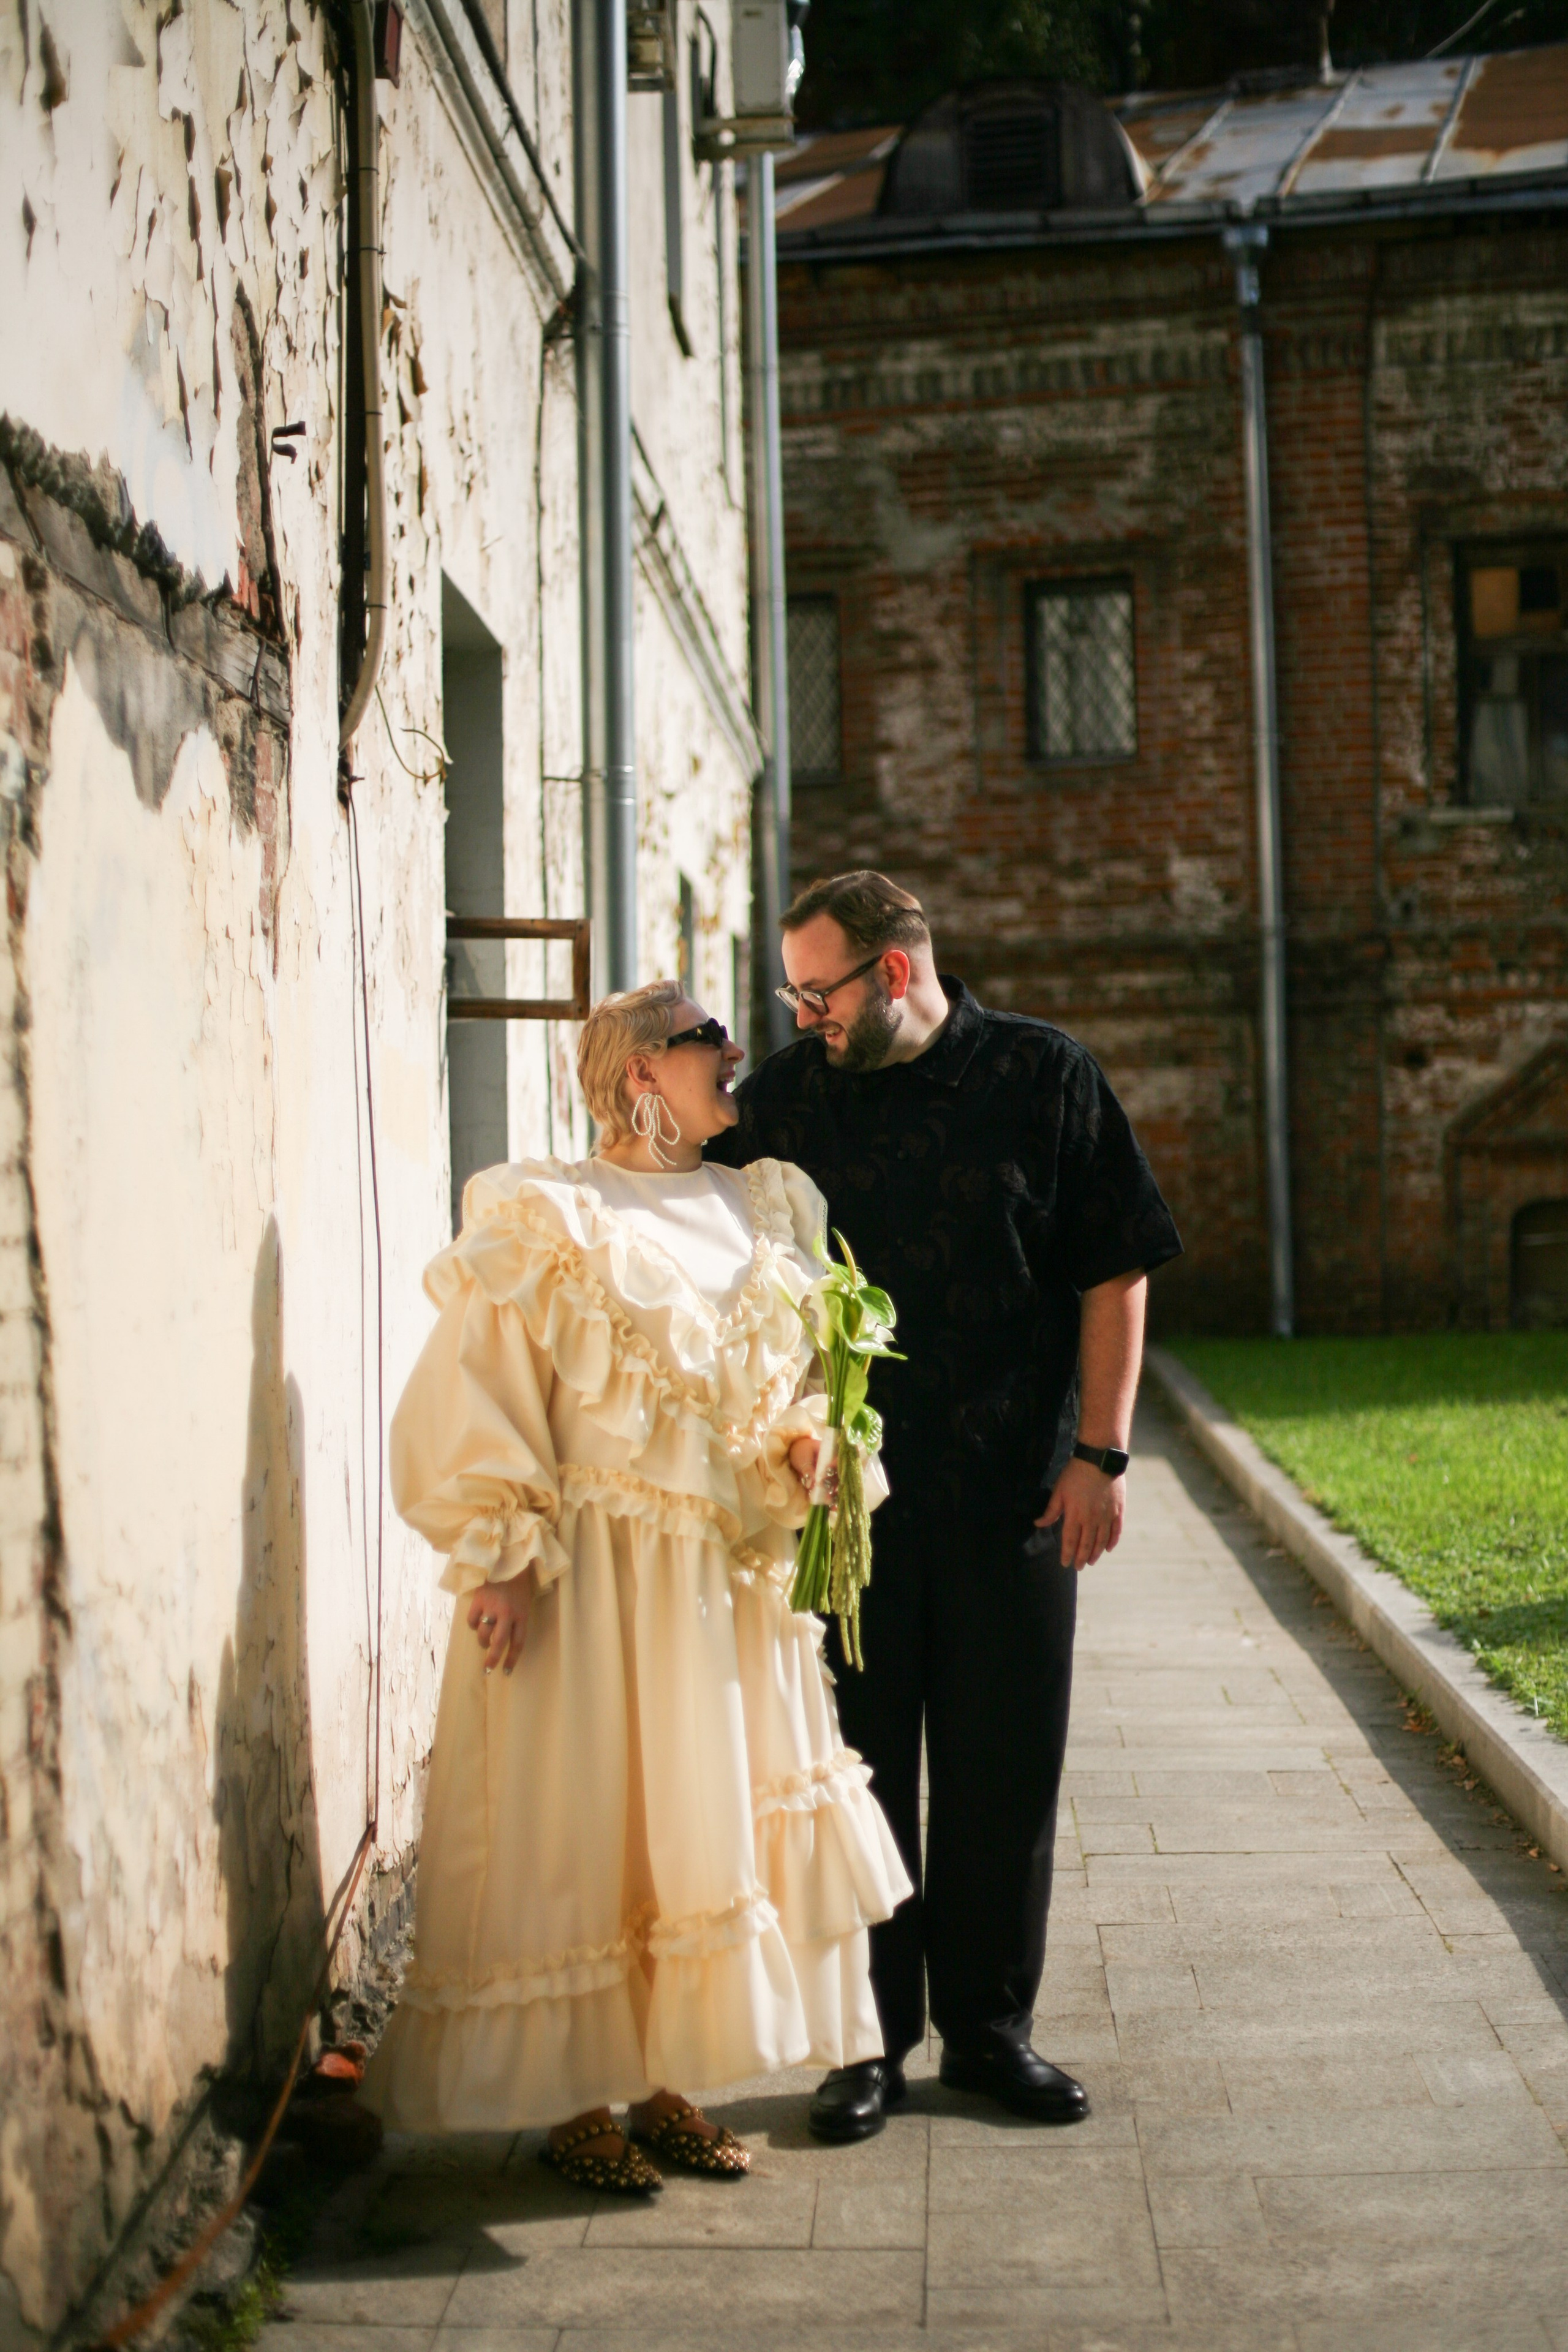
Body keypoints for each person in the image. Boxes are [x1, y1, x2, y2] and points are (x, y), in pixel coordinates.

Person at [363, 979, 911, 2192]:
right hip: (591, 1575)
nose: (731, 1053)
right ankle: (578, 2106)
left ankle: (668, 2085)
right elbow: (485, 1383)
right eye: (703, 1038)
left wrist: (817, 1441)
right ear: (637, 1075)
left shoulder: (770, 1203)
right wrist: (499, 1556)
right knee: (588, 1825)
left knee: (697, 1826)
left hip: (725, 1581)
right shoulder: (545, 1213)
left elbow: (808, 1372)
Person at [706, 872, 1182, 2139]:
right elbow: (700, 1247)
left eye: (819, 991)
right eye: (791, 992)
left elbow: (1113, 1266)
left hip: (1020, 1495)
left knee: (1000, 1775)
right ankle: (863, 2048)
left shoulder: (1046, 1078)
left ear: (895, 975)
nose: (801, 1013)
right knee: (851, 1775)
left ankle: (988, 2035)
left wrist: (1101, 1456)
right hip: (841, 1509)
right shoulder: (784, 1103)